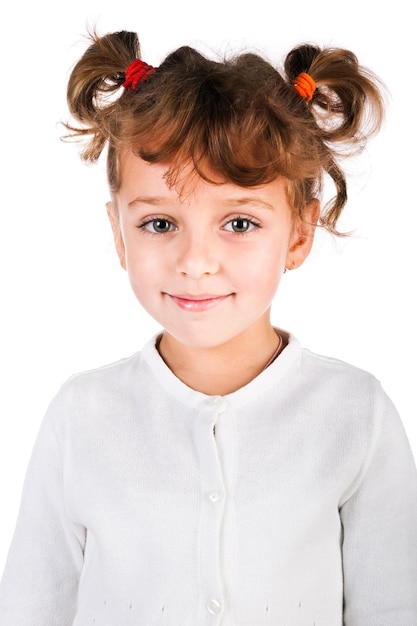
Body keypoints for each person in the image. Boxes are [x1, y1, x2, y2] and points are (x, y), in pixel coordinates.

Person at [0, 29, 416, 626]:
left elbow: (394, 607)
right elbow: (31, 607)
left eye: (240, 224)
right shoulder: (81, 415)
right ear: (119, 234)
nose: (195, 261)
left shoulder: (356, 413)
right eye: (160, 224)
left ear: (299, 233)